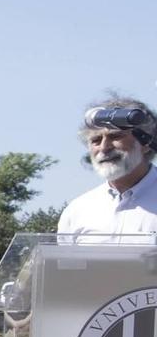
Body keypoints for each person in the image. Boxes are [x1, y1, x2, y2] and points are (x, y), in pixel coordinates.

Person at [58, 98, 157, 235]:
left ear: (146, 143)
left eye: (115, 136)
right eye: (96, 141)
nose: (104, 147)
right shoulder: (77, 211)